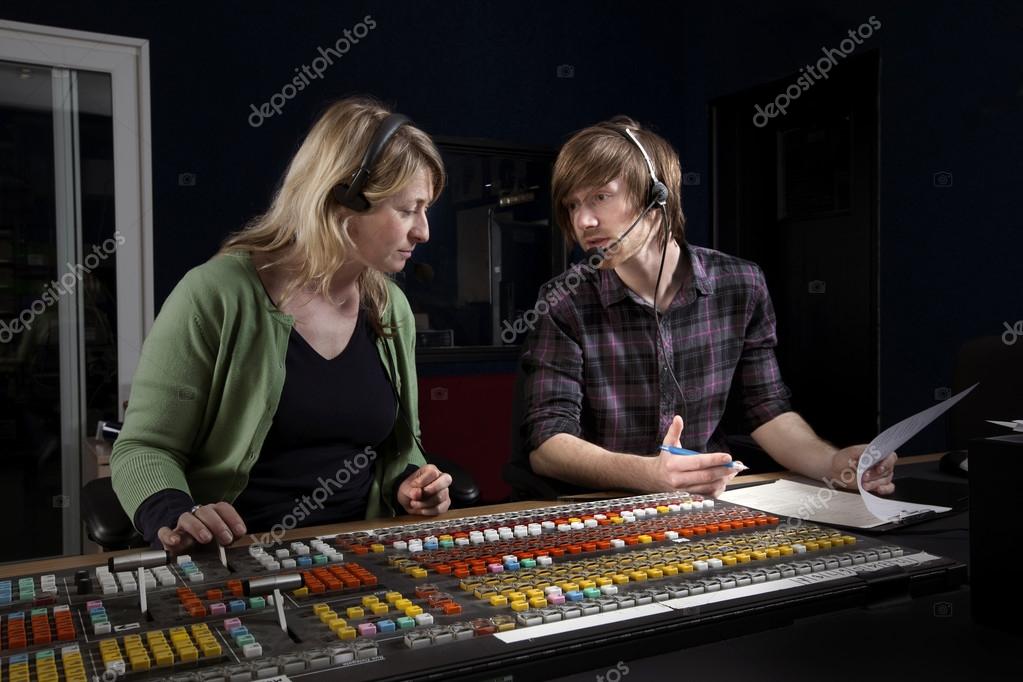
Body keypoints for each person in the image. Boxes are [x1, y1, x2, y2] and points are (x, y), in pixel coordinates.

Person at [111, 97, 453, 553]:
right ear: (341, 198)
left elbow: (400, 449)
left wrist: (411, 484)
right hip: (234, 559)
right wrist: (176, 512)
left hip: (359, 555)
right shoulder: (216, 293)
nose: (423, 231)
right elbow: (143, 449)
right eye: (408, 209)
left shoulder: (392, 309)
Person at [521, 116, 896, 498]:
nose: (583, 220)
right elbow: (548, 444)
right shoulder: (563, 301)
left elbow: (766, 409)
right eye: (573, 205)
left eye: (600, 196)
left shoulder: (740, 284)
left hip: (708, 502)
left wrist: (831, 464)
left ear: (657, 196)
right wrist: (649, 474)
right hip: (607, 507)